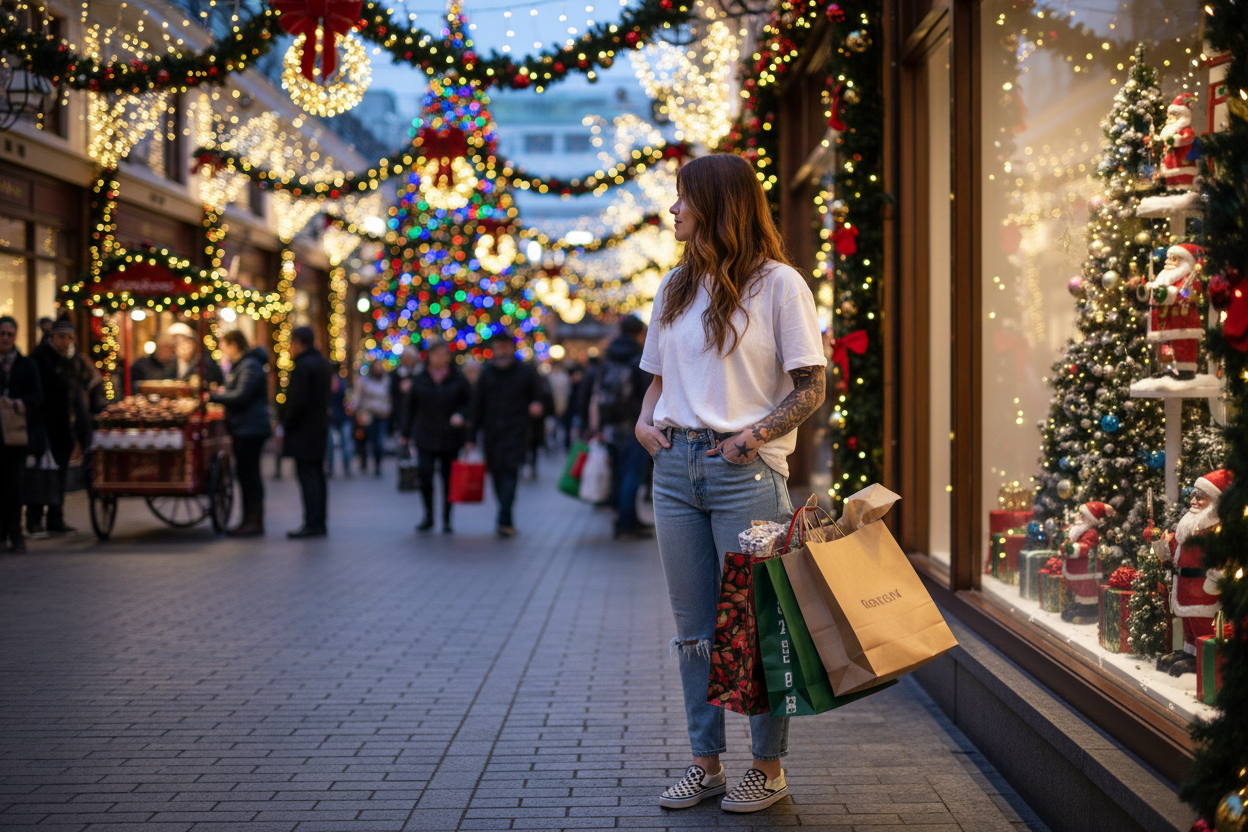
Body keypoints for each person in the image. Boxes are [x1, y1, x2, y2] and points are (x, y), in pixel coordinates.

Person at [635, 154, 826, 813]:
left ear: (717, 205)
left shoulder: (779, 286)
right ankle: (705, 763)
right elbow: (658, 377)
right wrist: (643, 420)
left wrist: (752, 436)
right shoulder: (674, 288)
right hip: (675, 472)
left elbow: (812, 385)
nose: (673, 210)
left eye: (683, 198)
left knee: (755, 623)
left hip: (745, 474)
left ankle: (767, 769)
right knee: (694, 630)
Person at [1144, 469, 1231, 676]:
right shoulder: (1188, 527)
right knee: (1188, 623)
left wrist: (1217, 578)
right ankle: (1189, 652)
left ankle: (1202, 658)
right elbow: (1173, 549)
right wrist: (1161, 543)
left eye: (1199, 497)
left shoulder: (1215, 530)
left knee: (1202, 625)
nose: (1193, 500)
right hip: (1184, 586)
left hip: (1202, 589)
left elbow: (1222, 557)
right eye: (1193, 495)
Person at [466, 333, 544, 536]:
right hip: (492, 433)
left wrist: (537, 406)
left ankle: (504, 517)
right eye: (498, 348)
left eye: (504, 347)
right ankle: (505, 516)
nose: (501, 352)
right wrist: (471, 437)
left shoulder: (525, 372)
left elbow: (540, 397)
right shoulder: (487, 374)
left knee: (510, 472)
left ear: (511, 348)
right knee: (497, 474)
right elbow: (476, 406)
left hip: (517, 431)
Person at [400, 341, 472, 533]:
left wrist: (462, 416)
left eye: (444, 354)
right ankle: (428, 516)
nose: (441, 358)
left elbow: (471, 403)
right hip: (425, 434)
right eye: (436, 354)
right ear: (429, 356)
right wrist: (404, 433)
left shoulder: (458, 379)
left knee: (448, 478)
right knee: (425, 475)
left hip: (450, 436)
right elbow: (410, 408)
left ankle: (447, 518)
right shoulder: (420, 379)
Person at [593, 315, 653, 539]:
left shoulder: (609, 356)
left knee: (619, 474)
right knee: (633, 475)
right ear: (640, 332)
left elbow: (598, 390)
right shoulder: (639, 356)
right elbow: (648, 391)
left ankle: (623, 518)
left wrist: (598, 425)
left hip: (611, 425)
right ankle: (628, 524)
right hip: (635, 424)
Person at [210, 331, 272, 537]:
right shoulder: (245, 365)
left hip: (250, 429)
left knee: (249, 474)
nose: (223, 351)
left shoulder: (249, 365)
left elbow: (241, 395)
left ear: (234, 345)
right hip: (246, 427)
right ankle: (249, 519)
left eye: (225, 346)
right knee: (246, 474)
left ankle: (253, 521)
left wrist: (215, 396)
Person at [27, 318, 81, 535]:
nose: (67, 342)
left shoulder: (70, 360)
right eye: (64, 337)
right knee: (39, 474)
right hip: (43, 426)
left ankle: (56, 519)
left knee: (59, 474)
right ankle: (34, 519)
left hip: (63, 427)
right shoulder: (39, 358)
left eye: (70, 338)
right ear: (54, 337)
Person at [282, 326, 332, 538]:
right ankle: (318, 521)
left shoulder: (303, 366)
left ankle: (312, 522)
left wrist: (287, 423)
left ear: (299, 342)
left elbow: (298, 401)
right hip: (319, 427)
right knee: (317, 474)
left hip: (305, 429)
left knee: (308, 475)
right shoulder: (322, 363)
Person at [0, 316, 42, 552]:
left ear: (15, 336)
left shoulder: (26, 365)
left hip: (15, 436)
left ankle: (16, 533)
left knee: (13, 486)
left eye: (9, 334)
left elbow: (37, 396)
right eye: (2, 333)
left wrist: (19, 403)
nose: (5, 338)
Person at [1143, 244, 1204, 380]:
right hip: (1165, 319)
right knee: (1163, 344)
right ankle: (1164, 368)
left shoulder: (1189, 279)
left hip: (1183, 319)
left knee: (1184, 344)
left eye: (1174, 258)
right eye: (1168, 258)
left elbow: (1187, 293)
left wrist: (1172, 294)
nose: (1168, 261)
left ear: (1185, 262)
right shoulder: (1165, 278)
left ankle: (1185, 371)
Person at [1058, 501, 1114, 624]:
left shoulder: (1091, 532)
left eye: (1082, 516)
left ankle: (1088, 609)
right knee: (1079, 587)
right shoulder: (1078, 532)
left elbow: (1087, 547)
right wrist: (1065, 547)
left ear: (1089, 519)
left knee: (1087, 589)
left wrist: (1073, 549)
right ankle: (1079, 604)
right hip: (1078, 568)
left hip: (1087, 568)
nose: (1078, 518)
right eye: (1080, 515)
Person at [352, 359, 392, 477]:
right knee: (366, 440)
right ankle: (364, 460)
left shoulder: (387, 381)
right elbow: (357, 398)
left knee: (379, 442)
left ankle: (378, 464)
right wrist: (355, 411)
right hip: (367, 415)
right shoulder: (364, 381)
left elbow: (389, 398)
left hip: (382, 415)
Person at [166, 321, 224, 386]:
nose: (183, 348)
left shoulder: (203, 361)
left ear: (192, 344)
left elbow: (213, 379)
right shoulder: (172, 361)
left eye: (184, 342)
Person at [327, 362, 352, 478]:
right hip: (332, 417)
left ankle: (346, 467)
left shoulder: (342, 382)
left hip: (341, 417)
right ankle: (331, 468)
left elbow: (348, 399)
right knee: (331, 445)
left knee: (345, 444)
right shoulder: (330, 382)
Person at [389, 345, 421, 436]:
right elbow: (391, 392)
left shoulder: (421, 374)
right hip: (399, 412)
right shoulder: (396, 374)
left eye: (409, 358)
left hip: (417, 414)